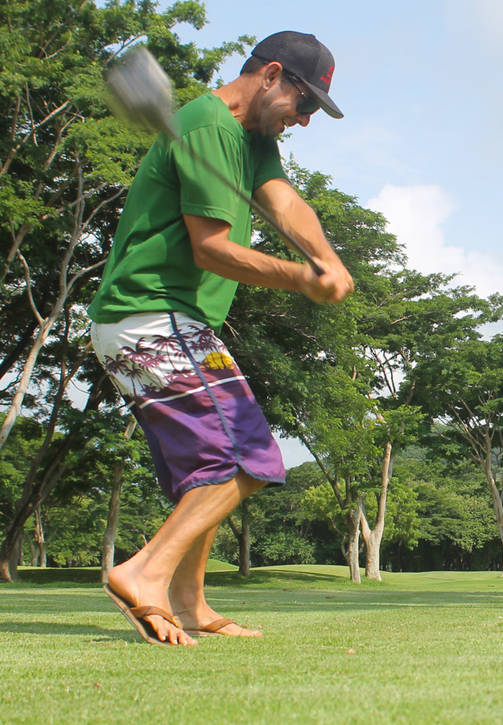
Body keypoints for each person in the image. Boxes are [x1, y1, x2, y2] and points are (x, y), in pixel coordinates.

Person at [87, 31, 354, 646]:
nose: (306, 120)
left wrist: (326, 259)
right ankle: (142, 573)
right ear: (271, 76)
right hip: (151, 315)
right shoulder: (209, 126)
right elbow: (212, 251)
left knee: (206, 473)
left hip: (169, 323)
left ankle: (189, 601)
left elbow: (284, 203)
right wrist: (300, 279)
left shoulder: (253, 139)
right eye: (304, 103)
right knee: (250, 457)